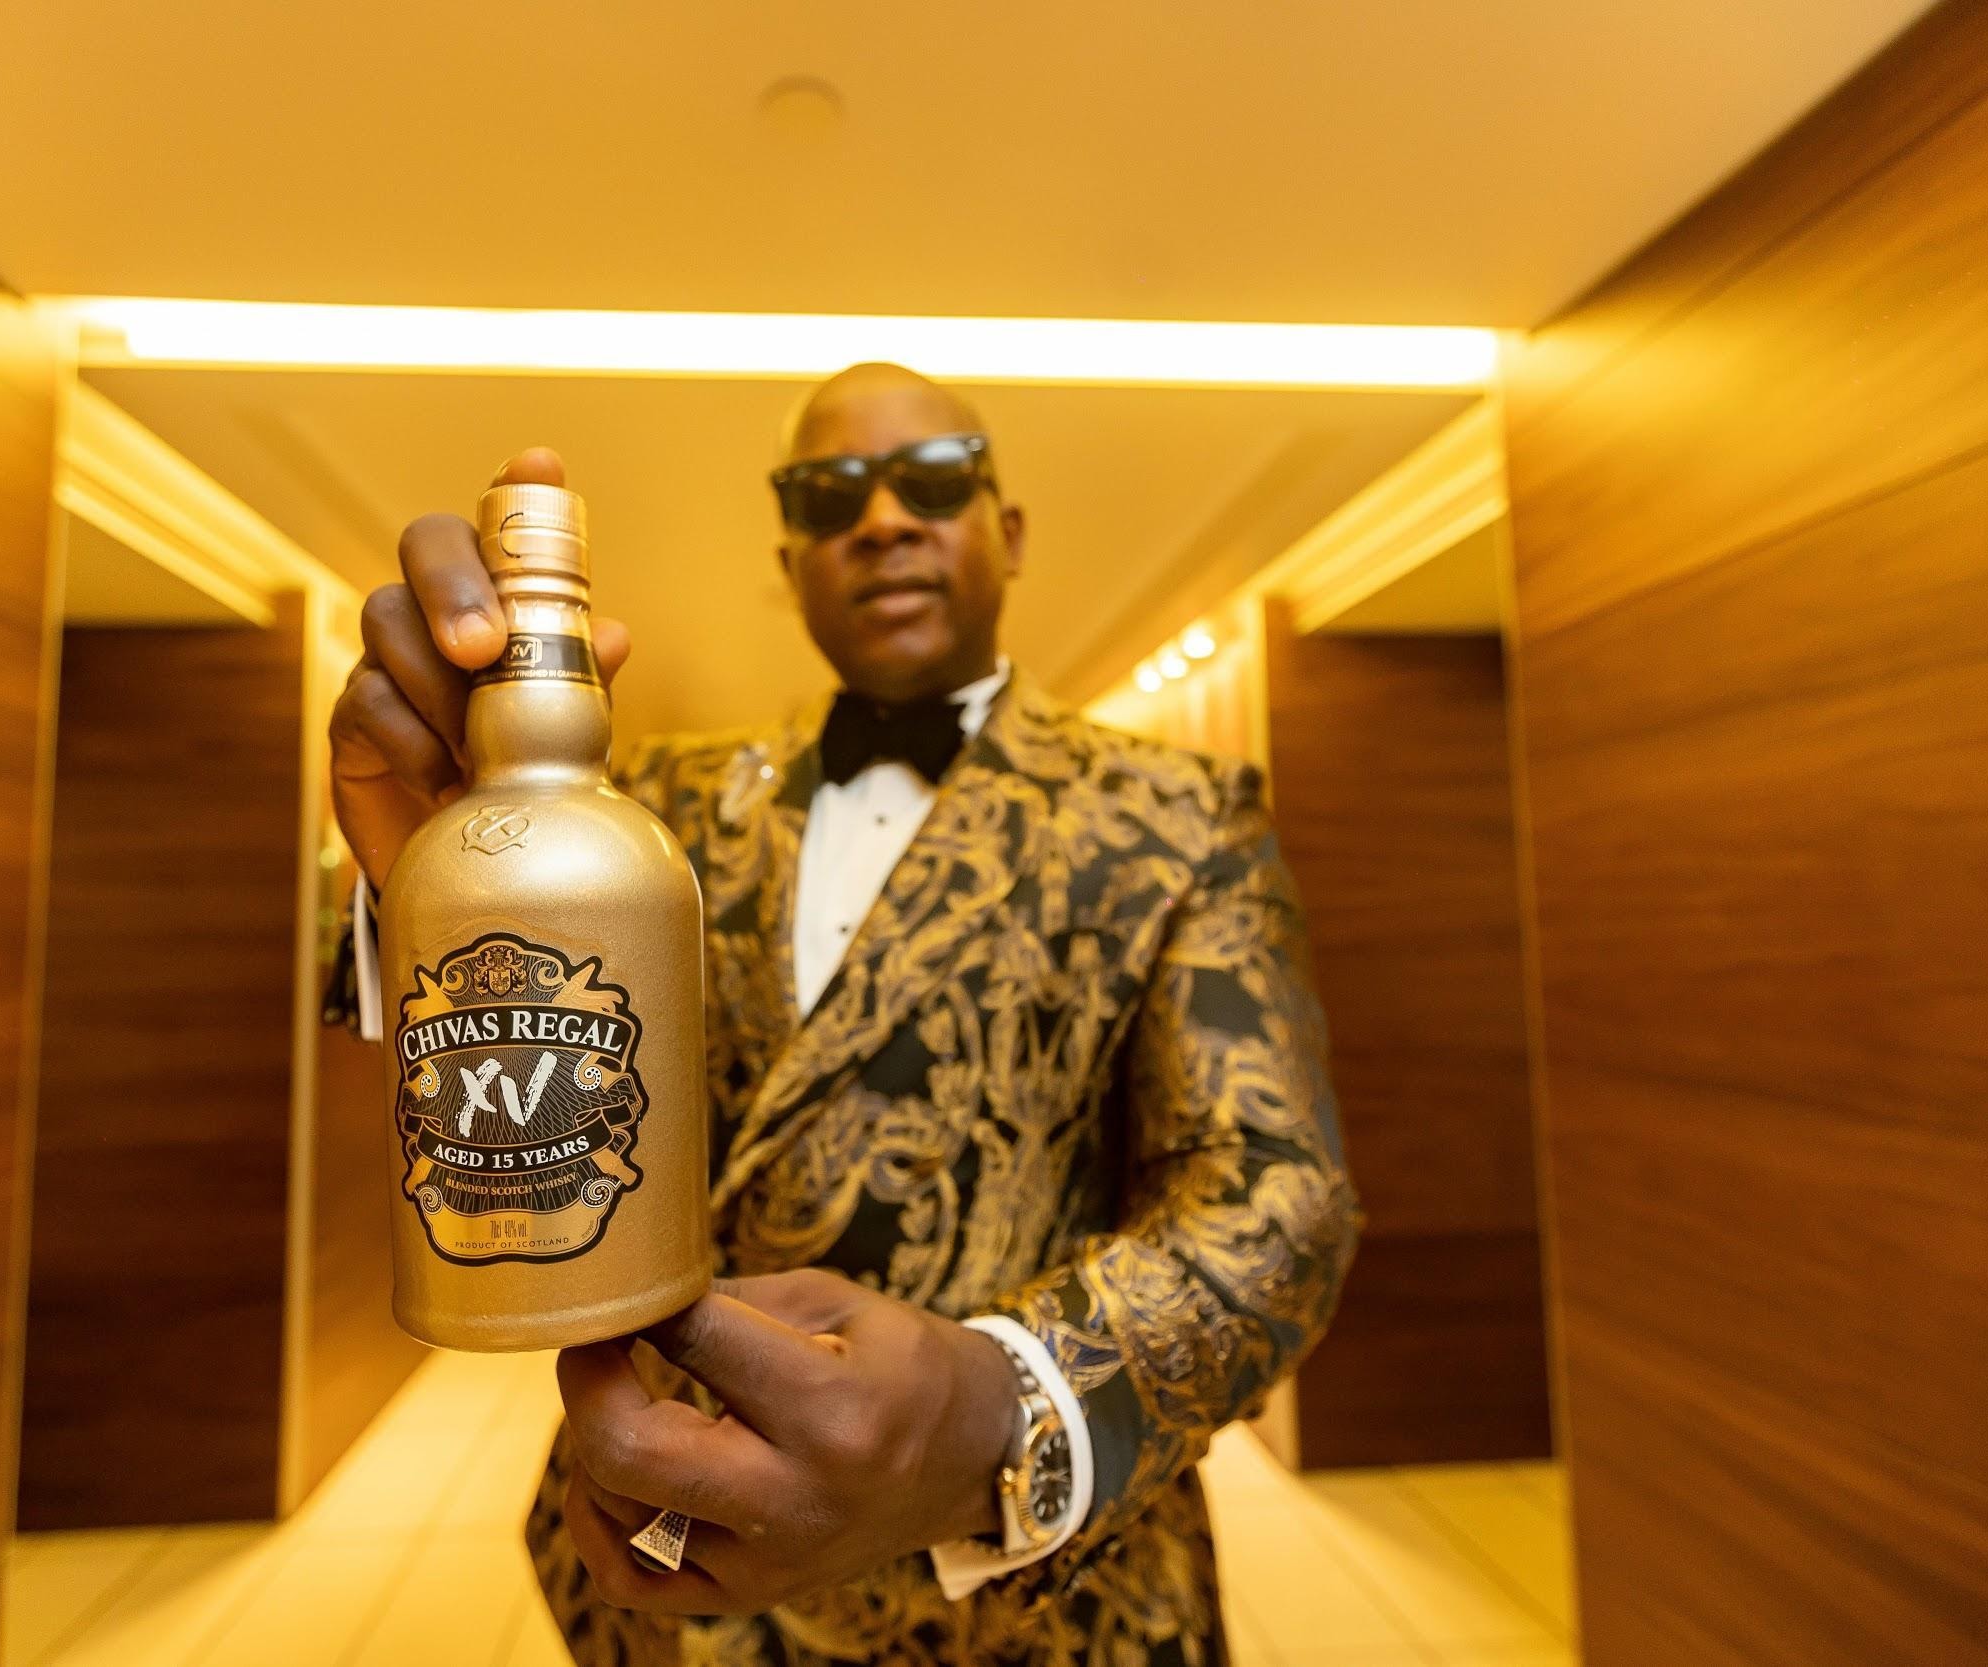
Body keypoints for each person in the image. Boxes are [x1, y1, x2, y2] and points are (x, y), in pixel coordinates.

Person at [328, 362, 1359, 1666]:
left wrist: (1005, 1406)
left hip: (1041, 1606)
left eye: (932, 480)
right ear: (790, 559)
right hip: (672, 1555)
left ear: (1008, 531)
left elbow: (1276, 1196)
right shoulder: (645, 805)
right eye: (829, 496)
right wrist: (430, 878)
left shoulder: (1183, 813)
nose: (881, 520)